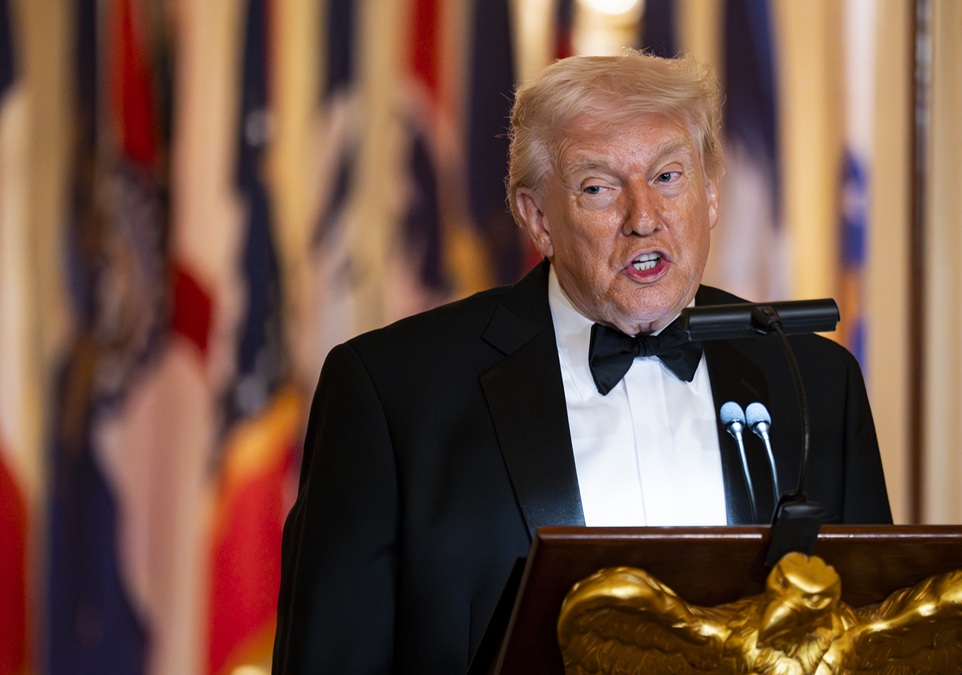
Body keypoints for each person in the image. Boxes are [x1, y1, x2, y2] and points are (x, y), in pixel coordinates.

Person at [272, 51, 891, 674]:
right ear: (538, 219)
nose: (643, 219)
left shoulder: (814, 380)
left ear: (710, 193)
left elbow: (868, 645)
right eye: (599, 188)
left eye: (669, 177)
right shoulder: (392, 392)